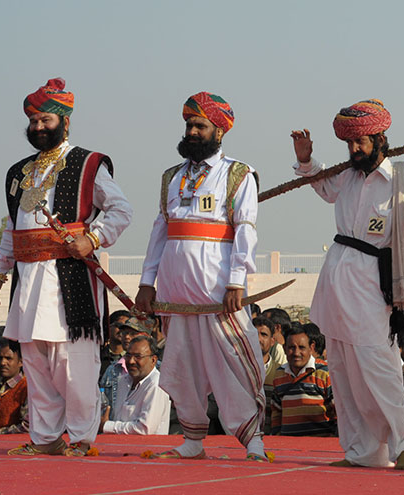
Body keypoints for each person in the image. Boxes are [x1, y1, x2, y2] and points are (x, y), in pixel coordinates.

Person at [290, 98, 404, 469]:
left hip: (375, 285)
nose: (354, 149)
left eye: (361, 141)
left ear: (380, 138)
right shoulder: (347, 173)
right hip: (335, 282)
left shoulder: (403, 176)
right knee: (343, 373)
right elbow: (322, 185)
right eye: (349, 143)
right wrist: (306, 159)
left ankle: (401, 447)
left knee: (379, 367)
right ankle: (363, 452)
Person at [0, 78, 132, 456]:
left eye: (45, 119)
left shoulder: (88, 163)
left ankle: (82, 439)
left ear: (65, 122)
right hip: (29, 279)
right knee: (35, 363)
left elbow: (121, 210)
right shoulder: (19, 172)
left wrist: (93, 238)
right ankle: (46, 438)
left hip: (70, 278)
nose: (37, 127)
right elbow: (11, 227)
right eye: (33, 120)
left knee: (74, 365)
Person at [136, 91, 269, 462]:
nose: (193, 131)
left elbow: (246, 231)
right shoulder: (171, 177)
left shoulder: (238, 174)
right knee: (181, 367)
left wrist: (236, 282)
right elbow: (159, 233)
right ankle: (192, 439)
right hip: (176, 292)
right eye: (189, 125)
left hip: (217, 292)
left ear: (220, 131)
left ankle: (253, 440)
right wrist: (147, 283)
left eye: (200, 125)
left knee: (234, 366)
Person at [270, 326, 334, 436]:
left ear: (311, 347)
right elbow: (276, 413)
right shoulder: (279, 375)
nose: (296, 352)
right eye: (291, 347)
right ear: (284, 348)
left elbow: (338, 412)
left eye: (301, 347)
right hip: (287, 447)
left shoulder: (325, 373)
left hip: (320, 447)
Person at [100, 336, 171, 435]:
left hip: (146, 449)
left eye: (138, 356)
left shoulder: (156, 385)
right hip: (117, 446)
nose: (131, 361)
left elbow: (145, 429)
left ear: (153, 360)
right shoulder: (123, 380)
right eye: (128, 355)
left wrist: (107, 426)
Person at [0, 339, 28, 434]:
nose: (3, 363)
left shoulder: (26, 388)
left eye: (8, 358)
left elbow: (27, 427)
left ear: (21, 361)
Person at [255, 316, 287, 434]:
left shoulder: (282, 373)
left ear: (272, 341)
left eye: (263, 334)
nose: (258, 339)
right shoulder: (236, 371)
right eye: (254, 334)